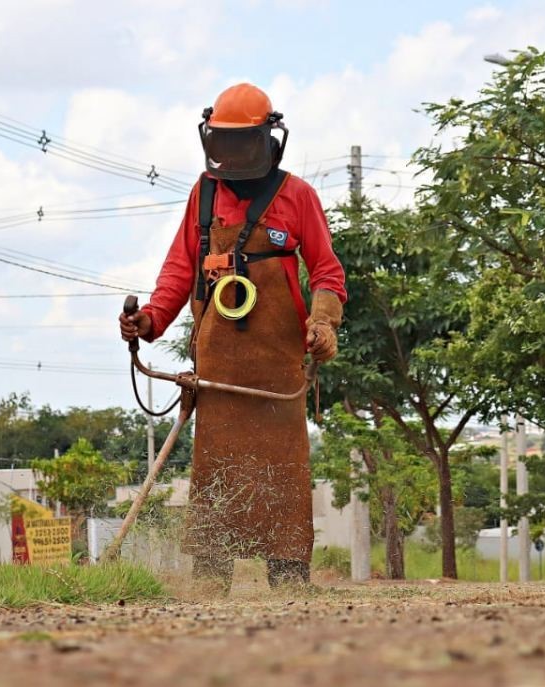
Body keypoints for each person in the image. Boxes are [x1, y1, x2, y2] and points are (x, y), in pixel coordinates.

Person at [119, 83, 347, 589]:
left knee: (283, 479)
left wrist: (323, 321)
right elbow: (179, 271)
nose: (235, 155)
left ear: (269, 140)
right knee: (216, 477)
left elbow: (328, 272)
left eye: (244, 143)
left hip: (279, 376)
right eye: (226, 144)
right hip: (218, 376)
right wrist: (150, 320)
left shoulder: (297, 197)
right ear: (210, 142)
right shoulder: (203, 196)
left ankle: (290, 580)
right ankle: (209, 581)